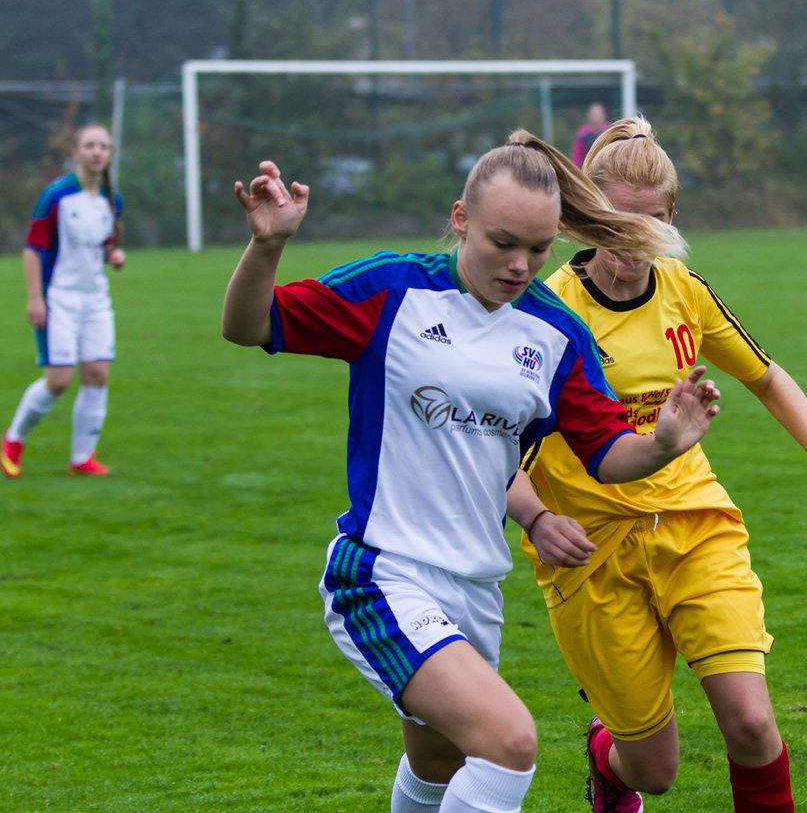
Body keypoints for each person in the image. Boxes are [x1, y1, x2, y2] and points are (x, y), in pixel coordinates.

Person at [220, 131, 723, 813]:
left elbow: (607, 455)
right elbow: (250, 325)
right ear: (461, 220)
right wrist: (268, 244)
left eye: (539, 250)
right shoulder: (391, 291)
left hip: (476, 588)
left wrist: (663, 442)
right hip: (384, 574)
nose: (521, 264)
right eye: (503, 242)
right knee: (510, 741)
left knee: (437, 764)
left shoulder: (555, 332)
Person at [506, 117, 807, 813]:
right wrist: (537, 515)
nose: (631, 242)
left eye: (649, 225)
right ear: (585, 215)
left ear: (670, 221)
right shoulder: (546, 310)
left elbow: (765, 376)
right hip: (591, 552)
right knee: (655, 770)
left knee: (753, 724)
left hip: (694, 524)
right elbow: (493, 440)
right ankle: (607, 761)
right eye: (614, 221)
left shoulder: (685, 290)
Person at [2, 123, 125, 479]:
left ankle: (82, 457)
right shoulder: (55, 195)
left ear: (110, 154)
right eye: (90, 145)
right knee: (58, 380)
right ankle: (13, 439)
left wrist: (114, 256)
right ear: (76, 152)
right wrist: (35, 299)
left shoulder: (111, 197)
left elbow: (105, 243)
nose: (97, 151)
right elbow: (32, 250)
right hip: (59, 299)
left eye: (103, 146)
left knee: (98, 374)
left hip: (97, 300)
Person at [571, 103, 611, 168]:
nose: (596, 118)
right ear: (589, 116)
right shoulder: (582, 133)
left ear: (604, 115)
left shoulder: (610, 130)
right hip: (587, 169)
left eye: (598, 115)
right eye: (594, 115)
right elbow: (577, 157)